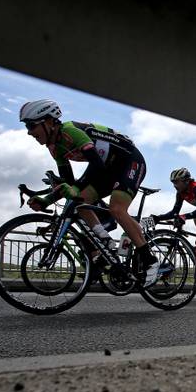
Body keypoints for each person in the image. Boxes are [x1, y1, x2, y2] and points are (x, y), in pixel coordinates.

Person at [19, 99, 159, 286]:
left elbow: (96, 164)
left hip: (129, 161)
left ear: (49, 121)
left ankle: (150, 260)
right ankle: (105, 240)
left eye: (31, 125)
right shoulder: (55, 147)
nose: (29, 132)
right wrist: (46, 200)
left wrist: (72, 189)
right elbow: (70, 186)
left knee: (116, 209)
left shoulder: (70, 132)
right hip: (106, 168)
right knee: (78, 201)